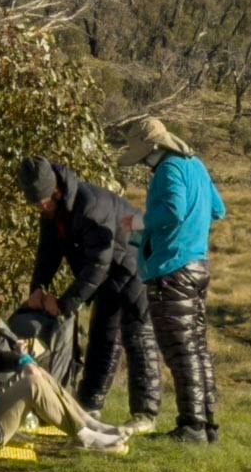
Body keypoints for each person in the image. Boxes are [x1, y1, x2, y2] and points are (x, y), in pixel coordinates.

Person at [19, 157, 160, 424]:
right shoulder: (52, 212)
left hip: (134, 265)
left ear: (57, 192)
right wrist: (37, 289)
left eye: (44, 201)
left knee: (137, 334)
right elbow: (47, 253)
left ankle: (145, 414)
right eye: (35, 204)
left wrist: (65, 303)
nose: (41, 207)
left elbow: (99, 263)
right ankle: (90, 404)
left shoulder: (91, 206)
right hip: (108, 272)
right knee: (103, 334)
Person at [0, 285, 127, 453]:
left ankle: (87, 424)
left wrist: (22, 360)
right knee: (32, 384)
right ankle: (84, 435)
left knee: (34, 372)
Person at [131, 119, 226, 443]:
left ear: (154, 149)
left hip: (173, 269)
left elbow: (173, 210)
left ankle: (192, 426)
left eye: (143, 157)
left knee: (179, 350)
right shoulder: (195, 164)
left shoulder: (169, 170)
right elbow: (218, 209)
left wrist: (140, 223)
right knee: (196, 348)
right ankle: (206, 423)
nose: (143, 164)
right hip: (198, 265)